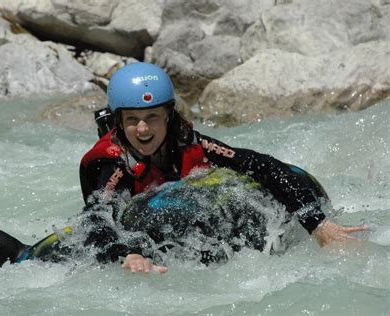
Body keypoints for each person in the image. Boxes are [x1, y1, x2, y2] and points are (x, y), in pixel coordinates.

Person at [79, 62, 367, 274]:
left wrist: (317, 223)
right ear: (119, 122)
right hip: (137, 228)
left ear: (168, 116)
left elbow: (260, 165)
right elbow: (96, 218)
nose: (142, 129)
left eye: (152, 116)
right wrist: (126, 254)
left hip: (180, 207)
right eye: (132, 119)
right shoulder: (114, 164)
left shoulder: (188, 141)